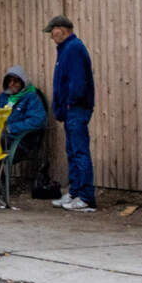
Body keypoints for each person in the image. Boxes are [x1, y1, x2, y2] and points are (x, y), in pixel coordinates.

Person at [47, 14, 96, 211]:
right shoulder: (66, 49)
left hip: (76, 108)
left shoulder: (73, 49)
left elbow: (77, 81)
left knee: (79, 151)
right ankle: (75, 192)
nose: (51, 35)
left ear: (63, 29)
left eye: (53, 30)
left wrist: (70, 103)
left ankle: (85, 196)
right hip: (71, 109)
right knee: (72, 151)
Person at [0, 64, 49, 194]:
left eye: (16, 81)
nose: (12, 84)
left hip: (21, 141)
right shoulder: (3, 97)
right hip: (1, 136)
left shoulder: (31, 98)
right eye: (9, 81)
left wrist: (12, 128)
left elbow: (38, 121)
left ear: (23, 82)